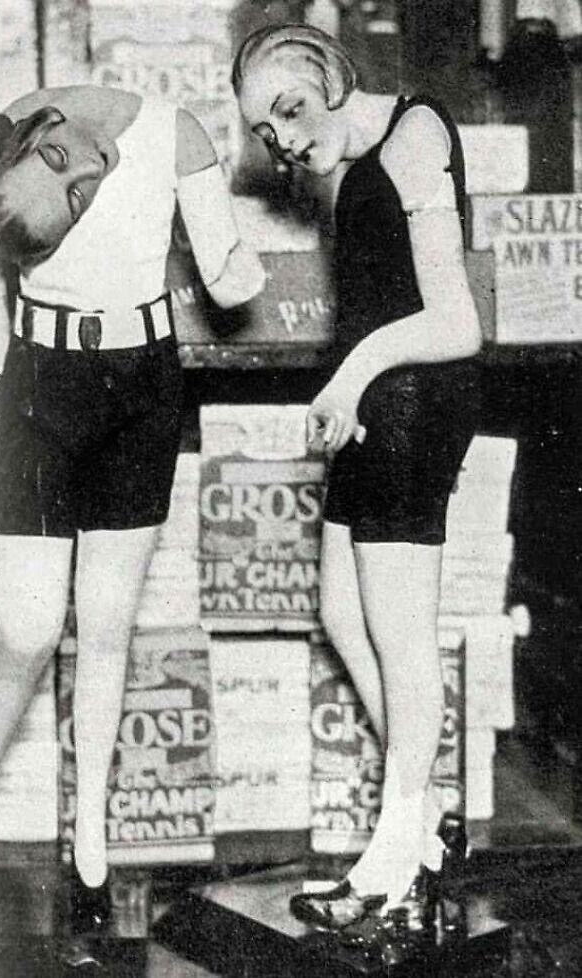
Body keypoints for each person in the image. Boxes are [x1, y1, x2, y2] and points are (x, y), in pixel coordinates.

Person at [0, 84, 265, 933]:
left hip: (143, 388)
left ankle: (91, 834)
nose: (87, 186)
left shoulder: (173, 131)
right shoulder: (2, 136)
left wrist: (235, 263)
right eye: (71, 191)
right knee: (31, 634)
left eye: (79, 189)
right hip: (41, 387)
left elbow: (231, 280)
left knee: (107, 626)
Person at [232, 23, 481, 945]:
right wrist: (350, 382)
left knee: (401, 637)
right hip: (376, 400)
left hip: (411, 400)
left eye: (290, 110)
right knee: (345, 612)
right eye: (266, 130)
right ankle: (427, 818)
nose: (285, 140)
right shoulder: (357, 159)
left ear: (331, 78)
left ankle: (393, 865)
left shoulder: (416, 135)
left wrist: (347, 377)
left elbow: (455, 321)